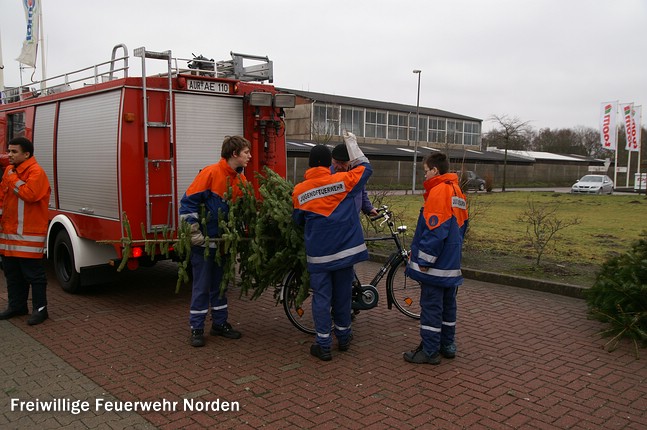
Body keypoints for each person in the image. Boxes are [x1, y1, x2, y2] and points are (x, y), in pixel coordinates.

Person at [292, 131, 373, 361]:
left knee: (321, 298)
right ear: (330, 163)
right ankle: (344, 338)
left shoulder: (300, 190)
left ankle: (324, 344)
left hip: (319, 256)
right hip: (346, 253)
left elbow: (297, 221)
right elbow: (366, 169)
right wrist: (353, 145)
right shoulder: (342, 181)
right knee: (342, 296)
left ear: (309, 165)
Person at [179, 135, 251, 347]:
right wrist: (194, 234)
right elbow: (187, 204)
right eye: (246, 152)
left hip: (223, 245)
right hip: (204, 245)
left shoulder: (240, 180)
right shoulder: (210, 173)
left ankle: (219, 324)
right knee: (202, 285)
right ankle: (197, 328)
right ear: (234, 154)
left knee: (221, 285)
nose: (250, 156)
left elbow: (246, 210)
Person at [403, 152, 468, 364]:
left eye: (425, 171)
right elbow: (462, 226)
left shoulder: (439, 191)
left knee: (431, 307)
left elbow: (435, 230)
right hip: (451, 263)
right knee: (448, 306)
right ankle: (447, 345)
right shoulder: (456, 190)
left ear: (435, 170)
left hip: (436, 266)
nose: (424, 176)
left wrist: (424, 261)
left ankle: (429, 351)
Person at [0, 137, 52, 326]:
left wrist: (13, 177)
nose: (9, 155)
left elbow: (29, 195)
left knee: (34, 275)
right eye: (9, 151)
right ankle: (17, 306)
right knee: (12, 274)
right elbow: (2, 198)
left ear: (26, 154)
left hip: (28, 236)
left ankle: (41, 309)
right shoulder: (9, 170)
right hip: (9, 235)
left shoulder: (36, 172)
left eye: (14, 152)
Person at [331, 143, 378, 217]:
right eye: (336, 162)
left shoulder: (355, 173)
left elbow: (361, 191)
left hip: (354, 218)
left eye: (343, 163)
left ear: (350, 161)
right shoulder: (327, 176)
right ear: (332, 160)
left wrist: (368, 208)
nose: (339, 167)